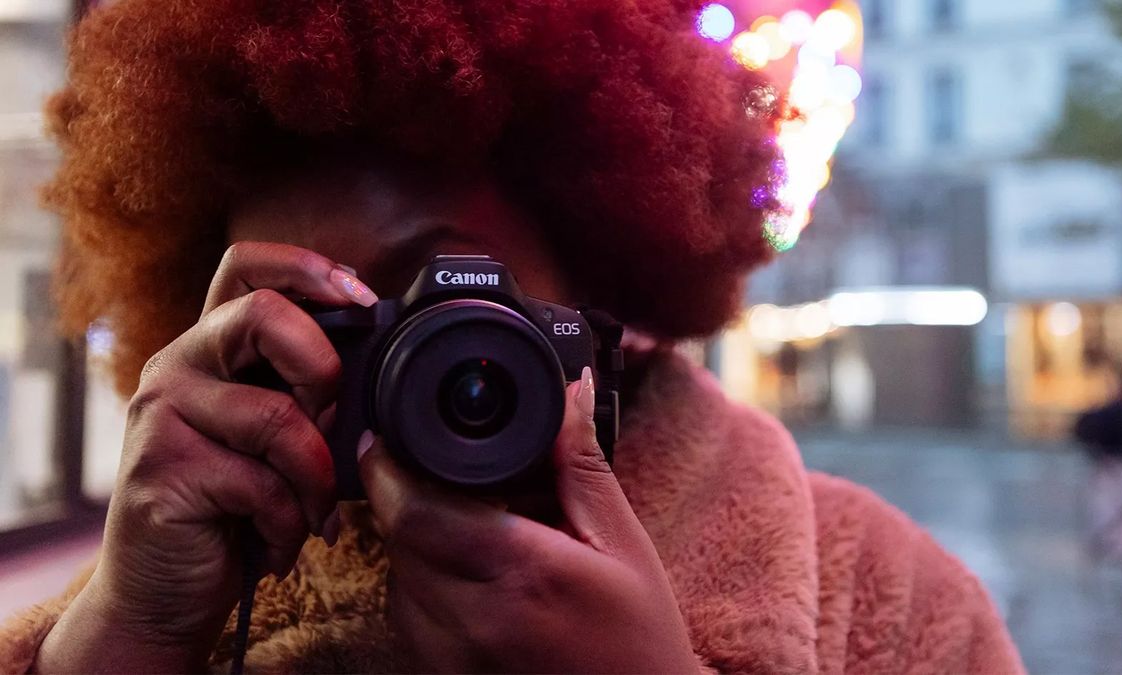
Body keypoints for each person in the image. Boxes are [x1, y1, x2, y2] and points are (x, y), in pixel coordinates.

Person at [1, 1, 1022, 672]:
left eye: (441, 303)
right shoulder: (182, 588)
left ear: (597, 294)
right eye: (314, 322)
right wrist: (129, 636)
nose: (394, 360)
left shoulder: (886, 600)